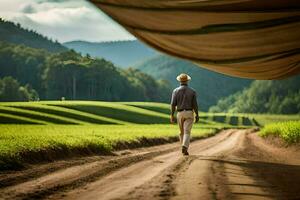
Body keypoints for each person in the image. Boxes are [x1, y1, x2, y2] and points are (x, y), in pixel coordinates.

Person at [170, 73, 199, 156]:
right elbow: (195, 105)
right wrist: (197, 114)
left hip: (180, 113)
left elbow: (172, 104)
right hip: (189, 113)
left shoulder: (175, 91)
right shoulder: (192, 91)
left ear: (179, 81)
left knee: (181, 132)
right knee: (187, 131)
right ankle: (184, 146)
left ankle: (183, 147)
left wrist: (172, 115)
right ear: (187, 81)